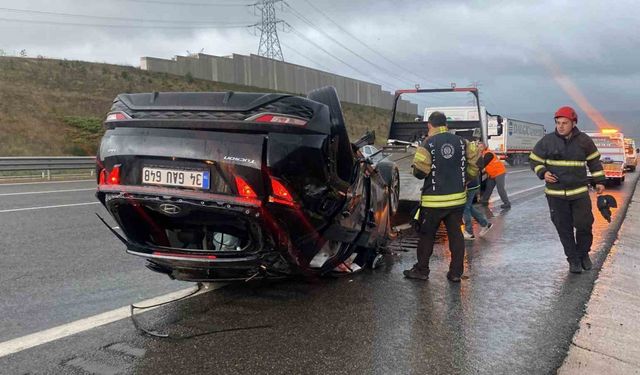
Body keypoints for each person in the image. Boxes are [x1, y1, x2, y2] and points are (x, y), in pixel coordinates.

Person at [403, 111, 480, 282]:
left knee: (427, 236)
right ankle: (455, 273)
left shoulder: (428, 143)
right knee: (456, 236)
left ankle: (421, 270)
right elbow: (475, 164)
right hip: (457, 200)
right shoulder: (462, 142)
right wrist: (465, 178)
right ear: (446, 125)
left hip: (434, 202)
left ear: (430, 125)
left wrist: (415, 167)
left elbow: (420, 173)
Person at [529, 106, 605, 273]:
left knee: (584, 225)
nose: (560, 126)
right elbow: (534, 160)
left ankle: (583, 254)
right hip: (555, 195)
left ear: (573, 123)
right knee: (564, 228)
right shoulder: (547, 141)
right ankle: (573, 260)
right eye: (558, 123)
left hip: (579, 193)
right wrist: (543, 172)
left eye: (564, 123)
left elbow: (594, 161)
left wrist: (599, 180)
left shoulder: (584, 141)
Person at [463, 162, 493, 240]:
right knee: (469, 207)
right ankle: (485, 224)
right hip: (472, 183)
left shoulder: (463, 154)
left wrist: (465, 183)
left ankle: (469, 232)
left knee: (465, 208)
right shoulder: (468, 154)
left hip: (468, 185)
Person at [479, 141, 511, 208]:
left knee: (500, 188)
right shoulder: (483, 153)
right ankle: (484, 201)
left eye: (481, 147)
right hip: (492, 174)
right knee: (489, 187)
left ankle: (507, 203)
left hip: (499, 172)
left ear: (485, 147)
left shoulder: (488, 154)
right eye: (478, 147)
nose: (479, 148)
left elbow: (483, 164)